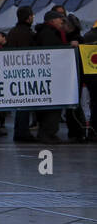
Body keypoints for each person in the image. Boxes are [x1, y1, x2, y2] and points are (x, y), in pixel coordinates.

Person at [35, 9, 79, 143]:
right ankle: (48, 133)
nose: (62, 22)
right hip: (53, 74)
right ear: (53, 20)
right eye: (60, 19)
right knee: (53, 106)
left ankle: (48, 132)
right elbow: (53, 51)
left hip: (52, 74)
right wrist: (67, 46)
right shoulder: (49, 34)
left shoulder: (50, 32)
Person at [4, 6, 39, 142]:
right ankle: (22, 132)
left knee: (20, 104)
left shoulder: (13, 31)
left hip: (15, 71)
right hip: (26, 71)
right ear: (28, 17)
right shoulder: (27, 33)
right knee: (26, 103)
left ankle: (20, 131)